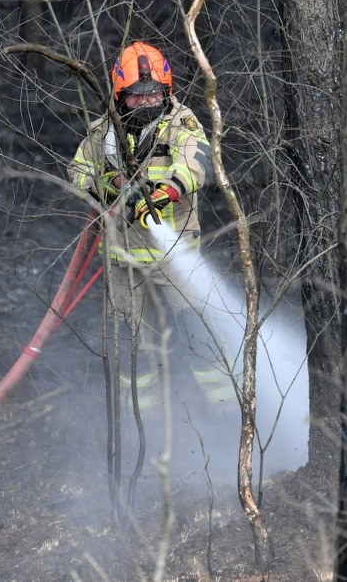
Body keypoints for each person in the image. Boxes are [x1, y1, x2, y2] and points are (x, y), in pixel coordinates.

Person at [66, 41, 235, 415]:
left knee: (197, 328)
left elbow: (198, 162)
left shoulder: (180, 122)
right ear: (120, 92)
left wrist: (164, 194)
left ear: (167, 90)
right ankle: (143, 419)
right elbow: (77, 171)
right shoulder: (103, 134)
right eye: (137, 96)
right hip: (122, 256)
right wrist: (105, 187)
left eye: (154, 93)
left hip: (176, 254)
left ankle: (226, 410)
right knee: (130, 338)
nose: (147, 102)